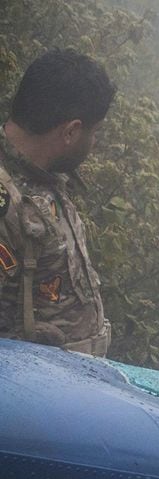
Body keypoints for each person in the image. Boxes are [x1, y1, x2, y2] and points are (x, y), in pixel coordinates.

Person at [0, 50, 116, 354]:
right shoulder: (5, 203)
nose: (95, 142)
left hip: (70, 387)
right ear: (71, 131)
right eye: (95, 132)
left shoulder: (44, 177)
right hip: (27, 392)